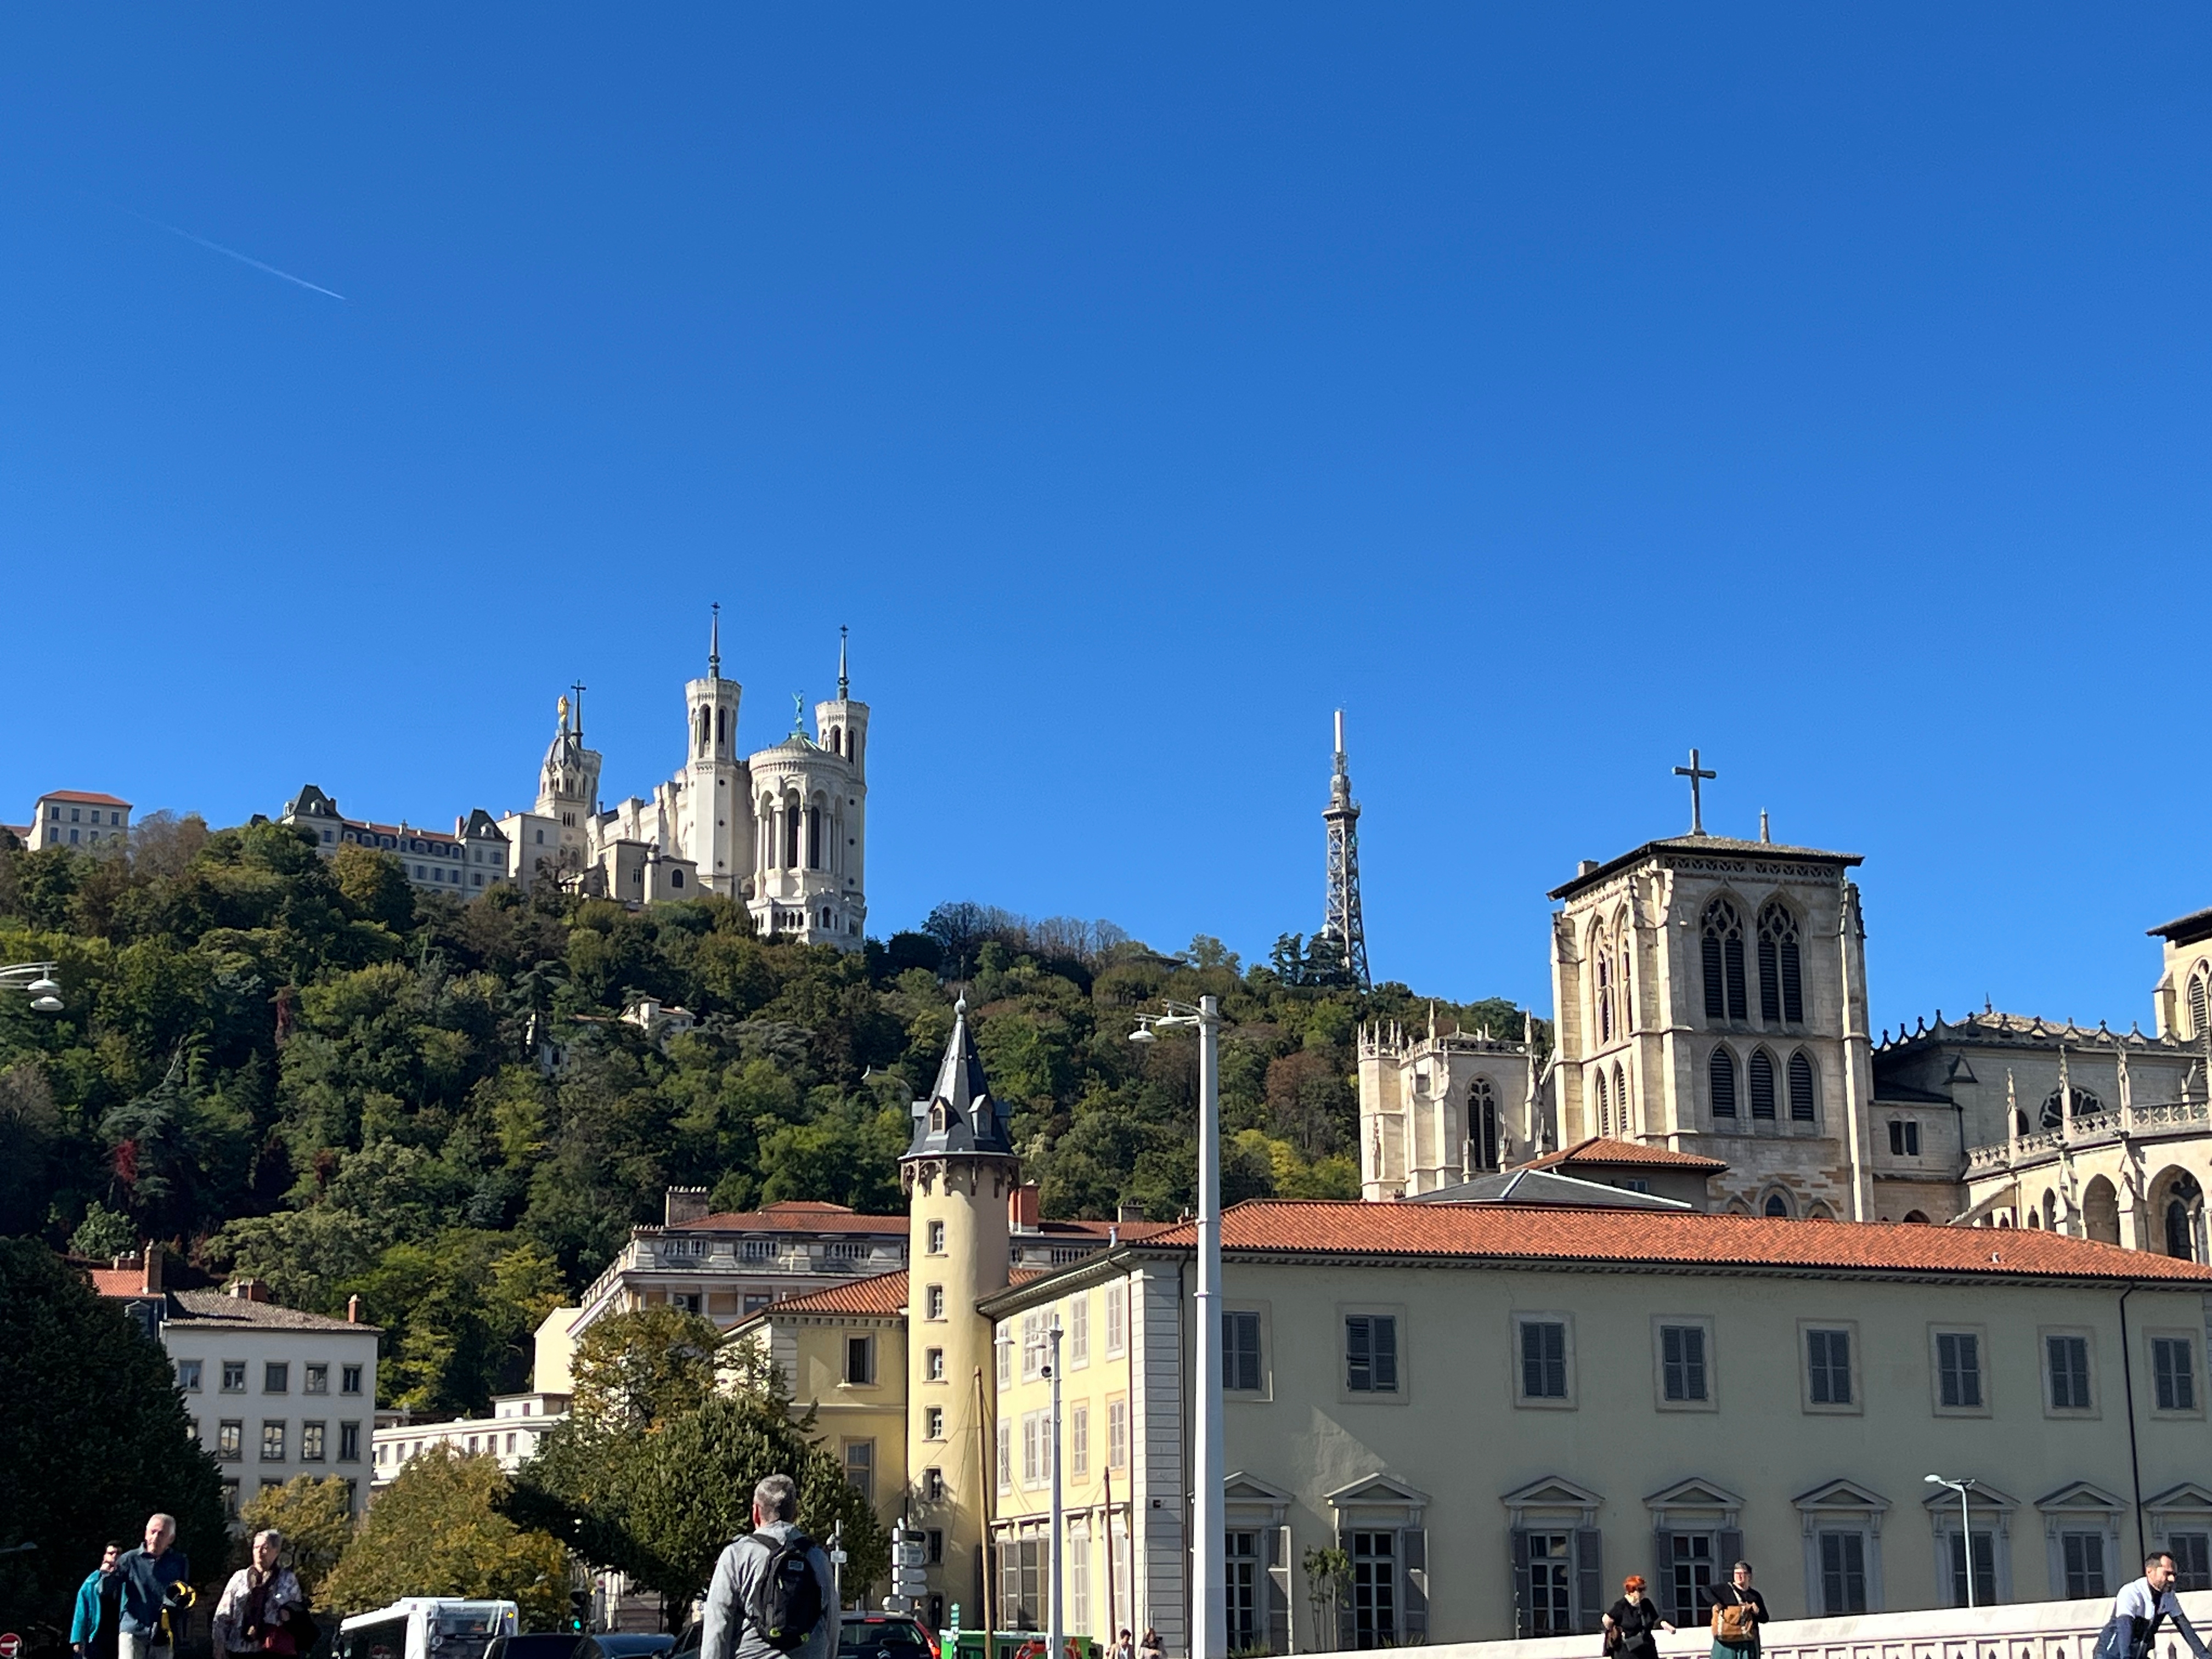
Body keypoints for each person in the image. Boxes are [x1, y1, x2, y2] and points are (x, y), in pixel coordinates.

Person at [699, 1474, 840, 1659]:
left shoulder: (737, 1555)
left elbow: (718, 1625)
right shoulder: (817, 1557)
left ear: (756, 1512)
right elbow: (832, 1623)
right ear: (795, 1514)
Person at [211, 1531, 305, 1659]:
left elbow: (300, 1618)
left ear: (276, 1551)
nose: (259, 1552)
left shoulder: (287, 1580)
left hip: (273, 1650)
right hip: (239, 1649)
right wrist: (219, 1646)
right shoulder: (239, 1578)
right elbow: (222, 1616)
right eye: (256, 1547)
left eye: (265, 1548)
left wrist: (289, 1615)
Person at [2100, 1551, 2211, 1659]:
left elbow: (2186, 1630)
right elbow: (2125, 1628)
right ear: (2149, 1572)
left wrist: (2206, 1657)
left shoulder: (2168, 1596)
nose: (2172, 1579)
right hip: (2110, 1655)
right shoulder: (2131, 1592)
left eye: (2174, 1575)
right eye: (2167, 1574)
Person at [115, 1514, 193, 1659]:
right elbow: (108, 1590)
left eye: (162, 1534)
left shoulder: (179, 1562)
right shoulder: (129, 1559)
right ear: (146, 1534)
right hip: (134, 1629)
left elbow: (184, 1594)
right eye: (153, 1532)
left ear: (171, 1539)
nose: (155, 1538)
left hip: (164, 1633)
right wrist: (107, 1576)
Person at [1703, 1561, 1767, 1659]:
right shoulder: (1724, 1590)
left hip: (1747, 1643)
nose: (1739, 1576)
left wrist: (1757, 1611)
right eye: (1736, 1574)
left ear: (1749, 1576)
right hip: (1726, 1643)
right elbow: (1705, 1590)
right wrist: (1716, 1603)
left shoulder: (1755, 1596)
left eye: (1742, 1574)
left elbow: (1765, 1618)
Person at [72, 1543, 125, 1659]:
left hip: (119, 1635)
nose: (115, 1556)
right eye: (111, 1553)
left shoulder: (126, 1580)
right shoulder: (92, 1581)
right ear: (104, 1557)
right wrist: (77, 1639)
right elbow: (81, 1611)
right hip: (96, 1635)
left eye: (118, 1554)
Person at [1605, 1575, 1674, 1659]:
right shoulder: (1621, 1606)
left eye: (1644, 1590)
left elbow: (1656, 1620)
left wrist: (1666, 1626)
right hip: (1628, 1651)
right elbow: (1607, 1619)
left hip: (1647, 1649)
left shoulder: (1646, 1603)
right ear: (1631, 1591)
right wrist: (1615, 1629)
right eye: (1640, 1590)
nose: (1643, 1593)